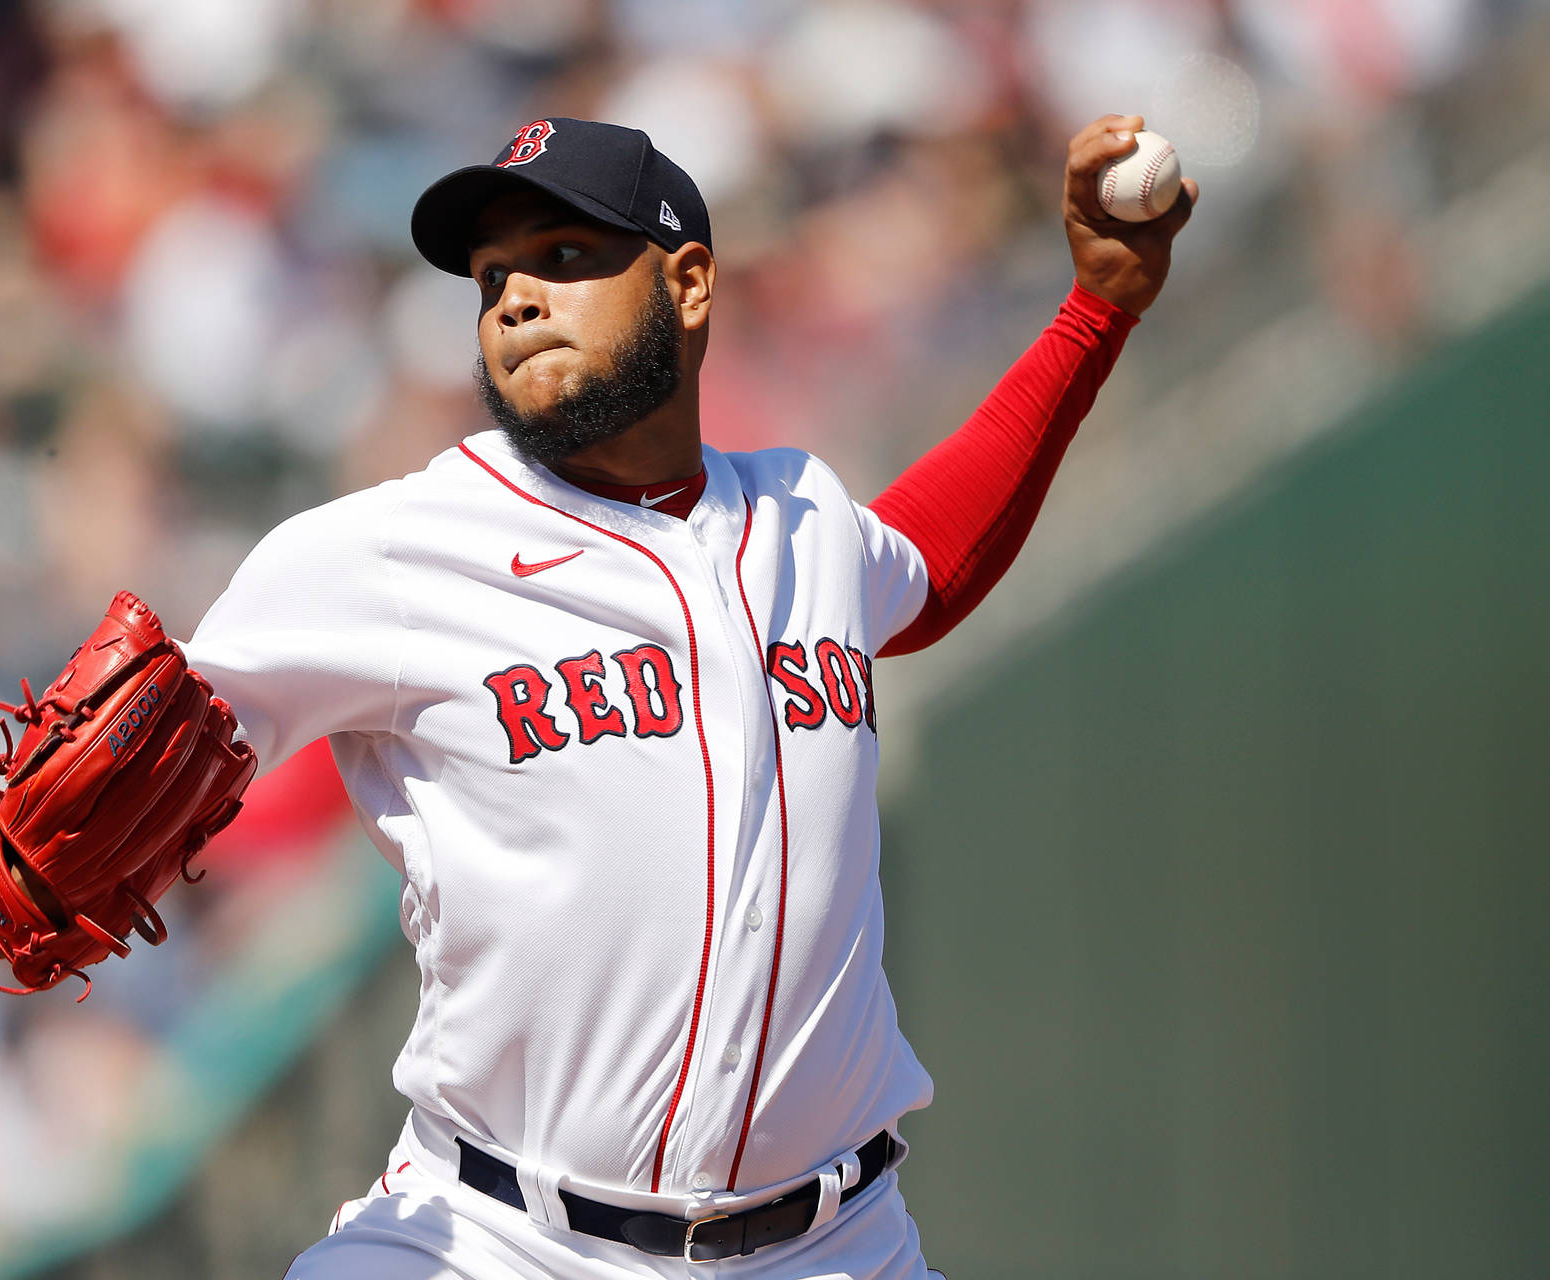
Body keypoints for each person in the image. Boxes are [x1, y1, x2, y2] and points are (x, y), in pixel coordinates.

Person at [198, 114, 1192, 1277]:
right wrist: (14, 864)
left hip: (836, 1246)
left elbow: (926, 565)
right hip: (495, 1239)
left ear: (689, 282)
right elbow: (130, 764)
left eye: (564, 258)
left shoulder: (804, 516)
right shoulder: (391, 552)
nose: (515, 298)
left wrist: (1095, 311)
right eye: (492, 278)